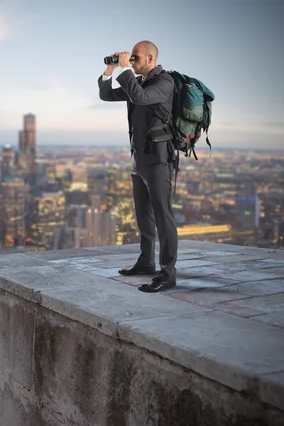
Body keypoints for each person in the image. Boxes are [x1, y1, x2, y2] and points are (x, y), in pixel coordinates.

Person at [97, 40, 178, 293]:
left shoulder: (164, 83)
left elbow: (141, 98)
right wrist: (109, 72)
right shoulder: (138, 82)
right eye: (129, 58)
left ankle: (168, 273)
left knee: (163, 217)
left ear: (151, 59)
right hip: (139, 159)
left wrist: (124, 71)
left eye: (135, 58)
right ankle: (146, 262)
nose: (131, 62)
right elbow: (106, 95)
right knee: (144, 216)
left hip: (159, 160)